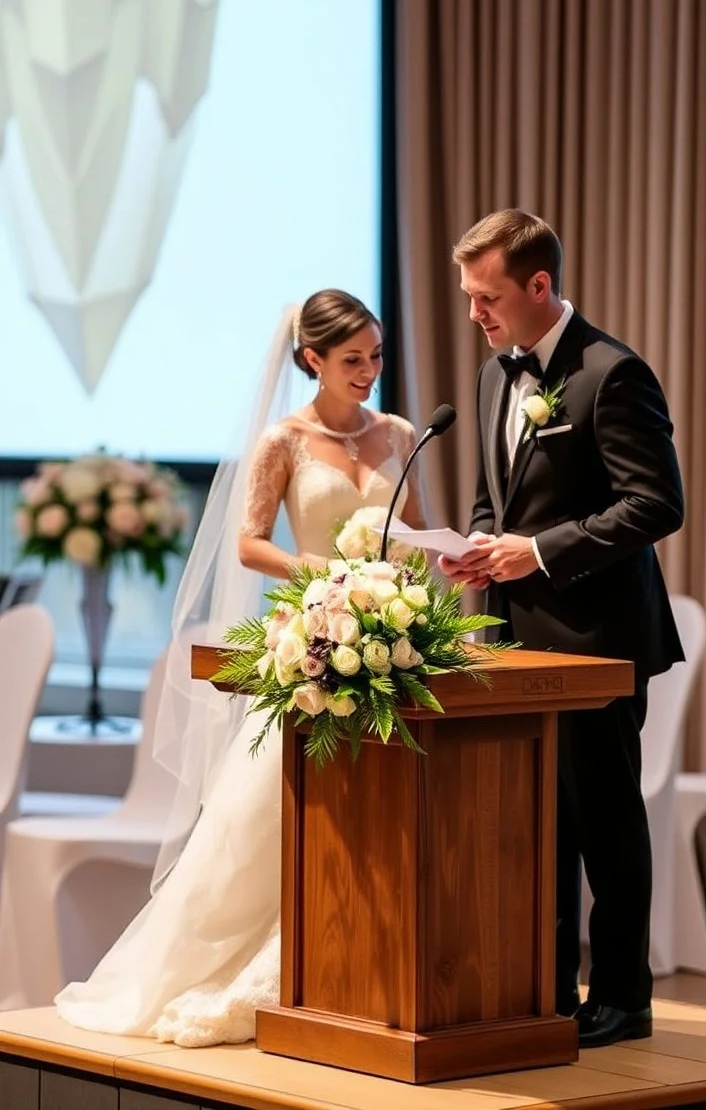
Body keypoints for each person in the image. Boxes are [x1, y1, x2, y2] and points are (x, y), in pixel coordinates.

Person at [53, 289, 426, 1047]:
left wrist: (416, 565)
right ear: (311, 359)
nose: (369, 372)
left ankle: (351, 969)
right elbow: (250, 541)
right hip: (317, 639)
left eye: (377, 356)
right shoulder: (282, 442)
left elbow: (408, 532)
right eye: (352, 359)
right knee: (260, 834)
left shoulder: (399, 433)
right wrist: (316, 572)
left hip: (383, 634)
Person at [440, 210, 684, 1048]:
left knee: (605, 820)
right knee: (535, 822)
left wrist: (537, 553)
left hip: (597, 639)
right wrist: (478, 551)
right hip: (515, 637)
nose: (475, 313)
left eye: (488, 296)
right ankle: (544, 989)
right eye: (469, 296)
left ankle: (622, 996)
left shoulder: (611, 374)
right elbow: (495, 498)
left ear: (538, 286)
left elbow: (656, 505)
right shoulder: (491, 375)